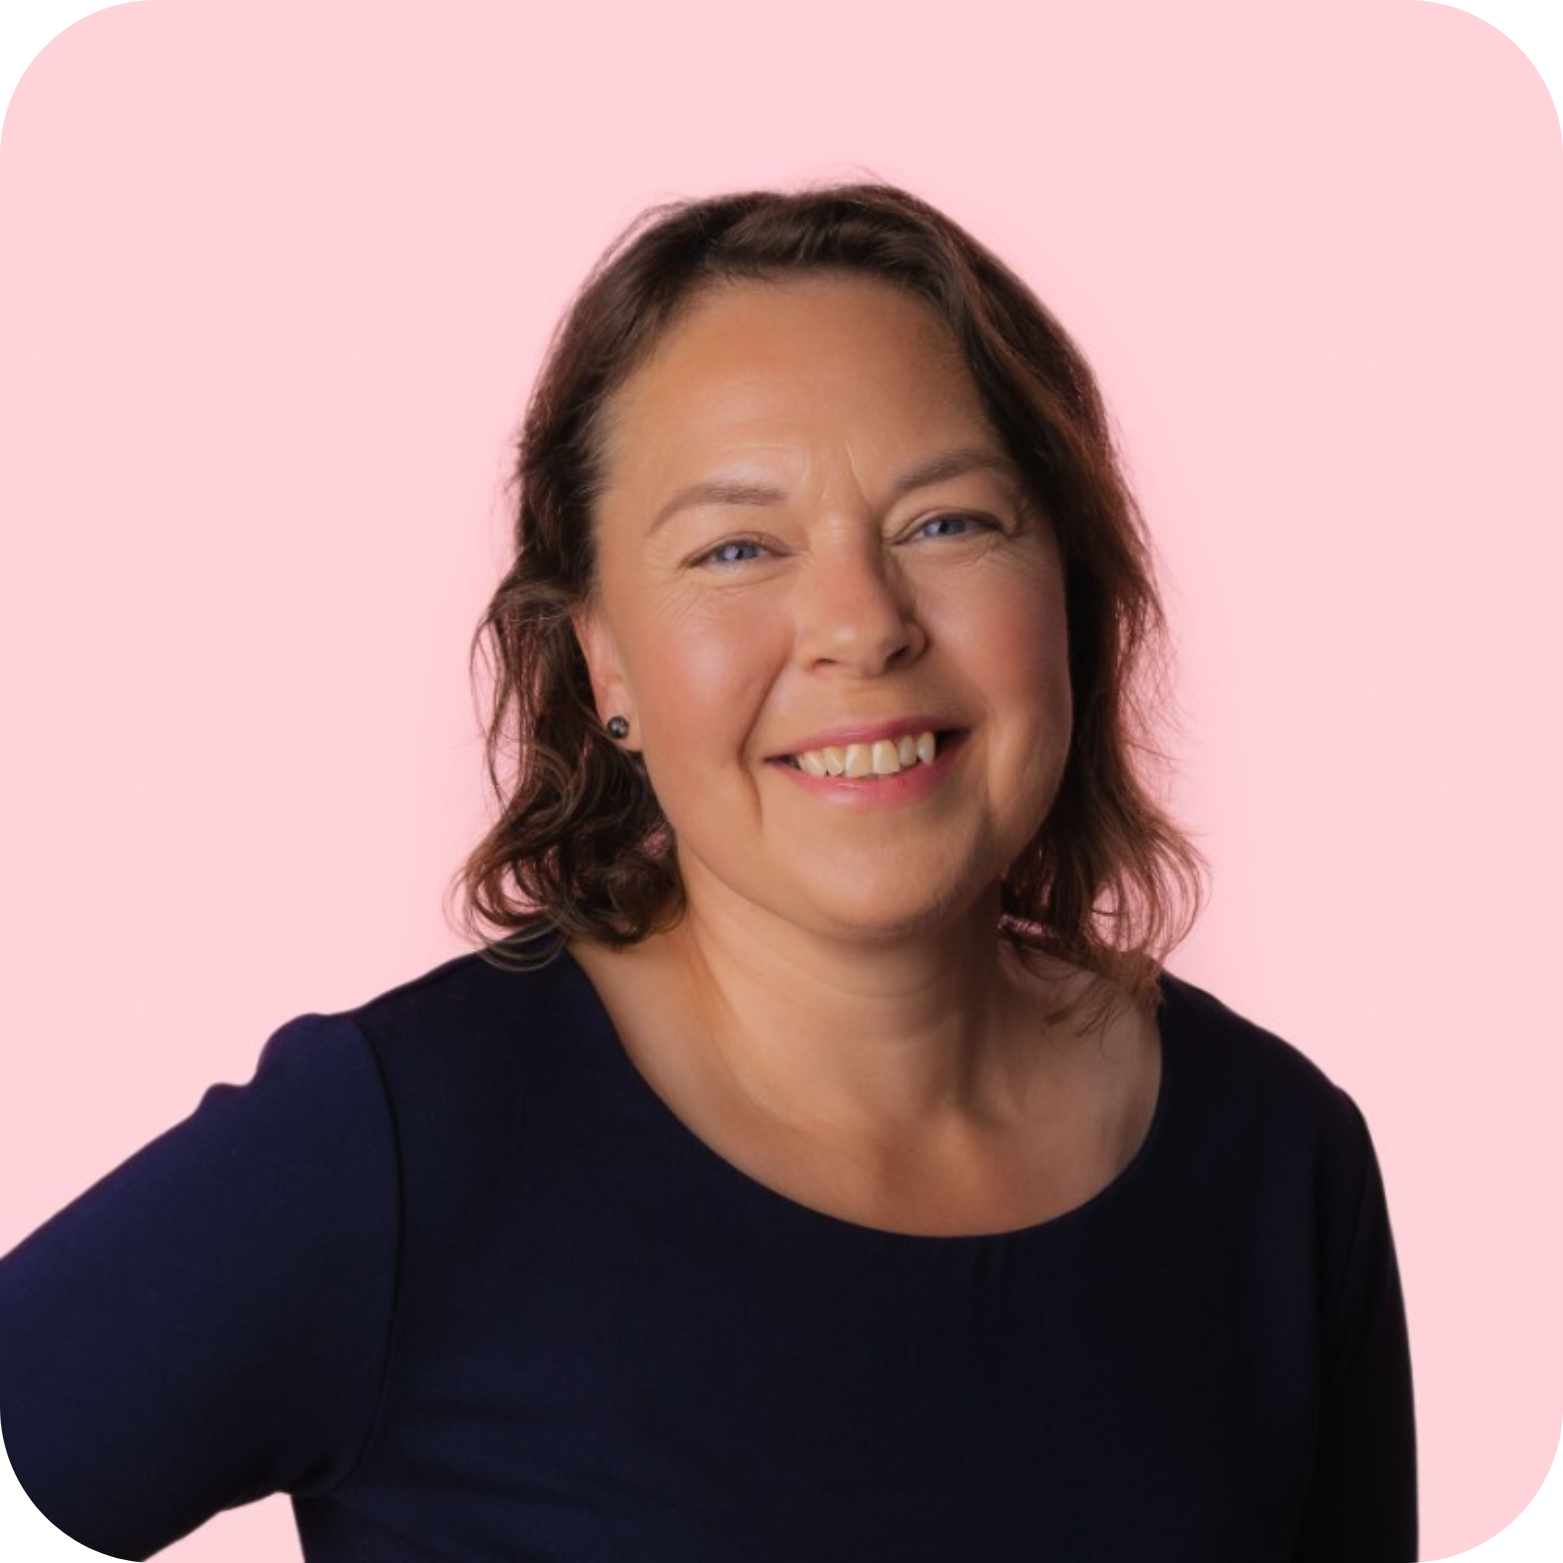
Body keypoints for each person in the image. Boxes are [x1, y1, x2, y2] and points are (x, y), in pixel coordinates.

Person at [0, 183, 1416, 1560]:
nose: (859, 626)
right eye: (736, 546)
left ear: (1070, 589)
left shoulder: (1278, 1162)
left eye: (948, 522)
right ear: (600, 662)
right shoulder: (392, 1156)